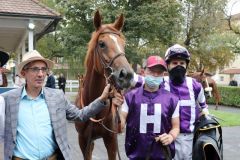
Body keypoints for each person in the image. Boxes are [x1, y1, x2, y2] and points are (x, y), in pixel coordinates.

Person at [0, 50, 123, 160]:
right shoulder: (7, 99)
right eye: (35, 69)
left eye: (44, 69)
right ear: (23, 73)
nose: (40, 74)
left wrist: (102, 99)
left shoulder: (57, 96)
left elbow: (80, 115)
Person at [120, 55, 180, 159]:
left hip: (162, 155)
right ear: (144, 72)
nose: (155, 75)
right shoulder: (130, 97)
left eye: (159, 72)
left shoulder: (172, 99)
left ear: (163, 74)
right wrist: (113, 107)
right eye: (151, 71)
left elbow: (176, 127)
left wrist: (171, 136)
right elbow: (119, 126)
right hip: (136, 155)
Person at [164, 44, 209, 160]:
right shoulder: (160, 84)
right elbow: (136, 81)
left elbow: (204, 109)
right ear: (167, 65)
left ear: (186, 65)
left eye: (182, 63)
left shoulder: (195, 85)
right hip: (165, 137)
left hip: (188, 138)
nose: (178, 66)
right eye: (174, 63)